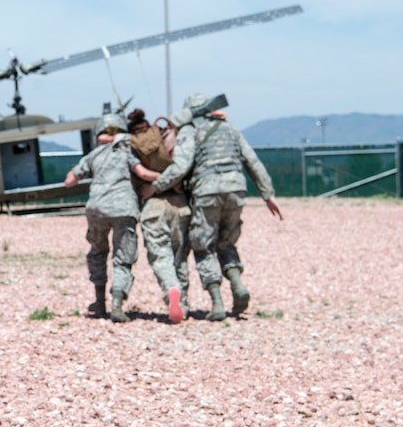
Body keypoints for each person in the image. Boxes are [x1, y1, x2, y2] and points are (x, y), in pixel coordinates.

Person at [143, 93, 283, 321]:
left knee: (203, 246)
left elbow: (181, 167)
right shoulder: (230, 129)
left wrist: (155, 187)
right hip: (236, 189)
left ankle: (217, 303)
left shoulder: (190, 132)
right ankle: (237, 284)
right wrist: (268, 195)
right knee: (227, 242)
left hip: (206, 191)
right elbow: (252, 161)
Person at [64, 112, 139, 323]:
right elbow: (141, 173)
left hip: (96, 209)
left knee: (98, 251)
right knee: (123, 257)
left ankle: (99, 301)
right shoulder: (128, 152)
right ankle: (117, 304)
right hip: (124, 209)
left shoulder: (93, 156)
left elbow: (69, 181)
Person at [127, 108, 190, 323]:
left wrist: (155, 184)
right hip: (180, 202)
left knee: (161, 256)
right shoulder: (167, 136)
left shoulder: (131, 146)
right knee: (180, 255)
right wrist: (173, 180)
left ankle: (171, 290)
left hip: (153, 202)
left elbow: (142, 174)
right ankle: (185, 303)